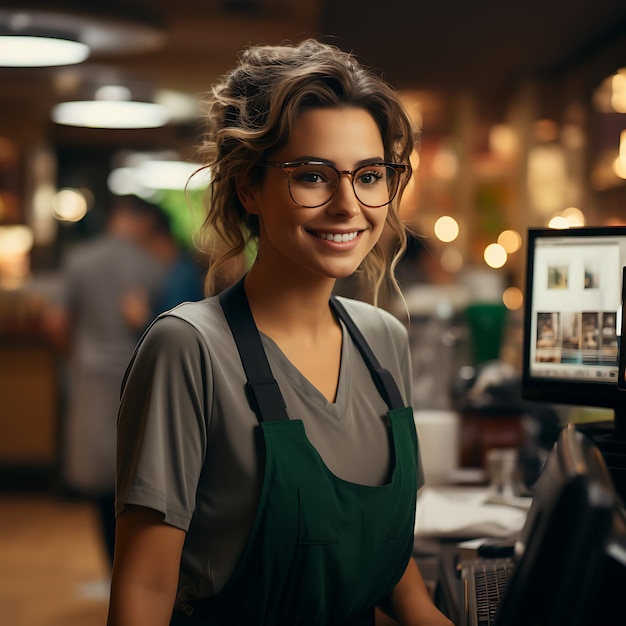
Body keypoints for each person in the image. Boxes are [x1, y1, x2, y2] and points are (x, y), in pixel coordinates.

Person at [107, 39, 454, 626]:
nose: (349, 205)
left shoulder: (384, 341)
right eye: (313, 176)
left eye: (370, 176)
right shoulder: (189, 347)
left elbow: (384, 560)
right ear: (248, 188)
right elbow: (144, 587)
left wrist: (426, 610)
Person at [47, 195, 168, 568]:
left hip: (91, 377)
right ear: (142, 220)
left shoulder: (79, 259)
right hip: (141, 376)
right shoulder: (154, 265)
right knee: (139, 478)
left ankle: (111, 572)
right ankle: (138, 572)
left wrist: (76, 358)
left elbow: (55, 322)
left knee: (99, 482)